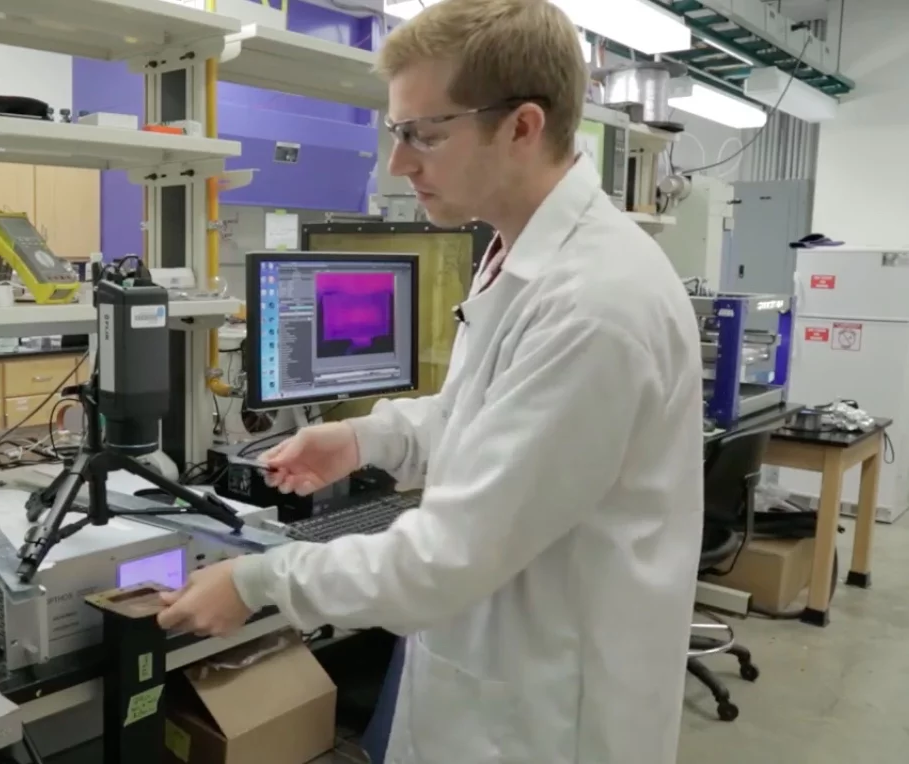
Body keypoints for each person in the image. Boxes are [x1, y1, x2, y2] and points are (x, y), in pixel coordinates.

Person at [156, 0, 704, 761]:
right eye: (395, 133)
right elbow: (478, 418)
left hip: (547, 715)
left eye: (424, 134)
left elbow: (445, 559)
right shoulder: (520, 254)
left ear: (521, 126)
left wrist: (258, 580)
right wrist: (363, 437)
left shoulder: (595, 304)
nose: (398, 164)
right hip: (491, 677)